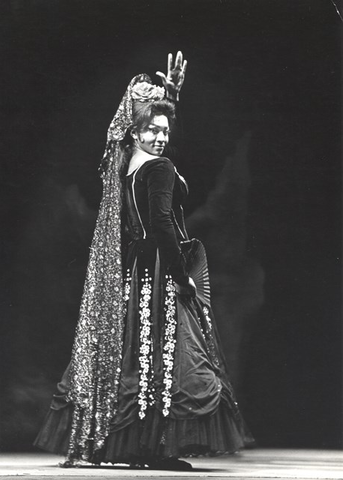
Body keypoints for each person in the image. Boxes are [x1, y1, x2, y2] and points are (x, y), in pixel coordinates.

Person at [34, 52, 253, 470]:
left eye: (165, 130)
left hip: (135, 271)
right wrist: (180, 277)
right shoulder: (160, 168)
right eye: (152, 129)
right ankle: (156, 447)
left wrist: (169, 96)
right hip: (158, 268)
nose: (161, 136)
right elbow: (162, 225)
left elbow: (156, 163)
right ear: (135, 130)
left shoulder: (126, 165)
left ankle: (139, 446)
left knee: (138, 354)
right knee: (172, 357)